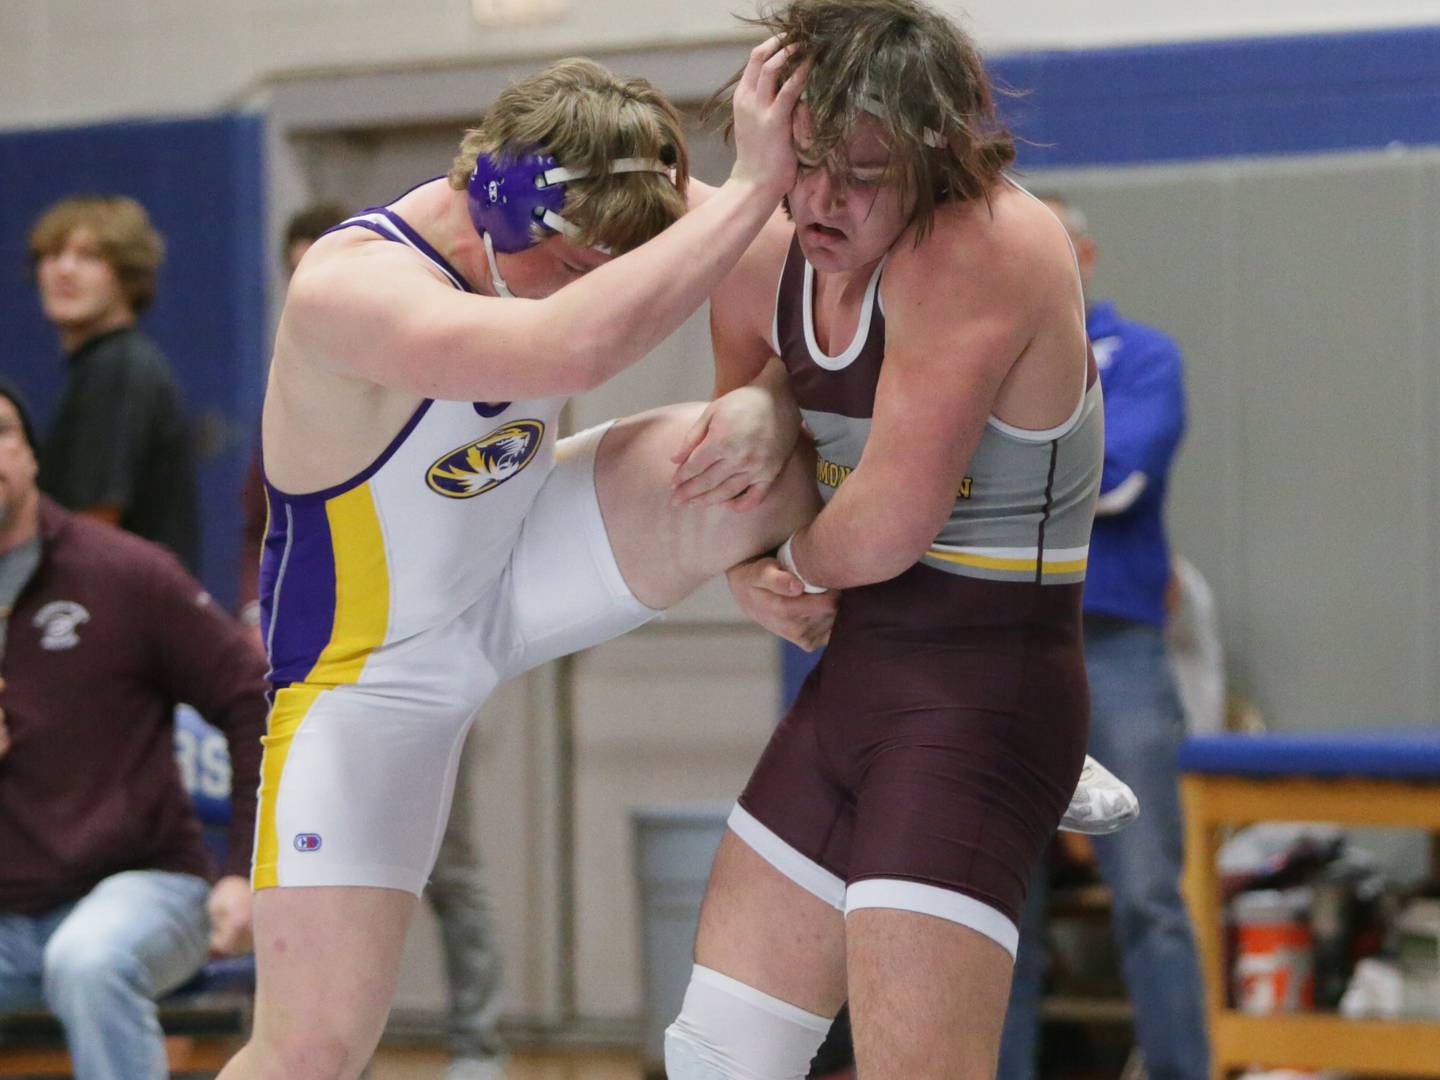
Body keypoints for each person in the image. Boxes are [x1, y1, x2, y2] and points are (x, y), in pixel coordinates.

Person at [216, 50, 813, 1080]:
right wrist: (758, 181)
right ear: (497, 205)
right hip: (367, 672)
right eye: (584, 268)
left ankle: (957, 686)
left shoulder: (596, 201)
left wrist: (770, 399)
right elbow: (567, 350)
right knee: (309, 1051)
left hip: (519, 552)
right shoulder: (351, 286)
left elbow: (816, 300)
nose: (605, 284)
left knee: (767, 466)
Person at [658, 2, 1108, 1076]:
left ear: (935, 158)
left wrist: (787, 570)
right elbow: (745, 479)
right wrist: (745, 560)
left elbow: (891, 523)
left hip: (980, 694)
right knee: (718, 1058)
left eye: (862, 174)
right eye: (804, 162)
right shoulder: (757, 253)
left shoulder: (987, 242)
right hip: (857, 682)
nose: (822, 199)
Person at [239, 203, 513, 1079]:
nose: (317, 286)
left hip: (434, 638)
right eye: (298, 270)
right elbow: (266, 529)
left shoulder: (436, 348)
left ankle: (477, 1041)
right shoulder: (299, 382)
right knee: (320, 894)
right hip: (334, 666)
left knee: (452, 864)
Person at [995, 195, 1209, 1080]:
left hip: (1112, 646)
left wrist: (988, 480)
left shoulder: (1142, 355)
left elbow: (1113, 482)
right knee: (995, 904)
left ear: (1081, 257)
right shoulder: (980, 351)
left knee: (1150, 891)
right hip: (1002, 650)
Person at [0, 379, 265, 1080]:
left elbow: (253, 700)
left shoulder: (123, 573)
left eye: (1, 432)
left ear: (32, 455)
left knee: (89, 961)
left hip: (141, 889)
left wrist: (245, 872)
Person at [27, 195, 200, 571]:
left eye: (90, 256)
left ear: (127, 275)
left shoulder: (118, 368)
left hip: (121, 601)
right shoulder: (105, 364)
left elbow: (95, 524)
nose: (64, 270)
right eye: (52, 254)